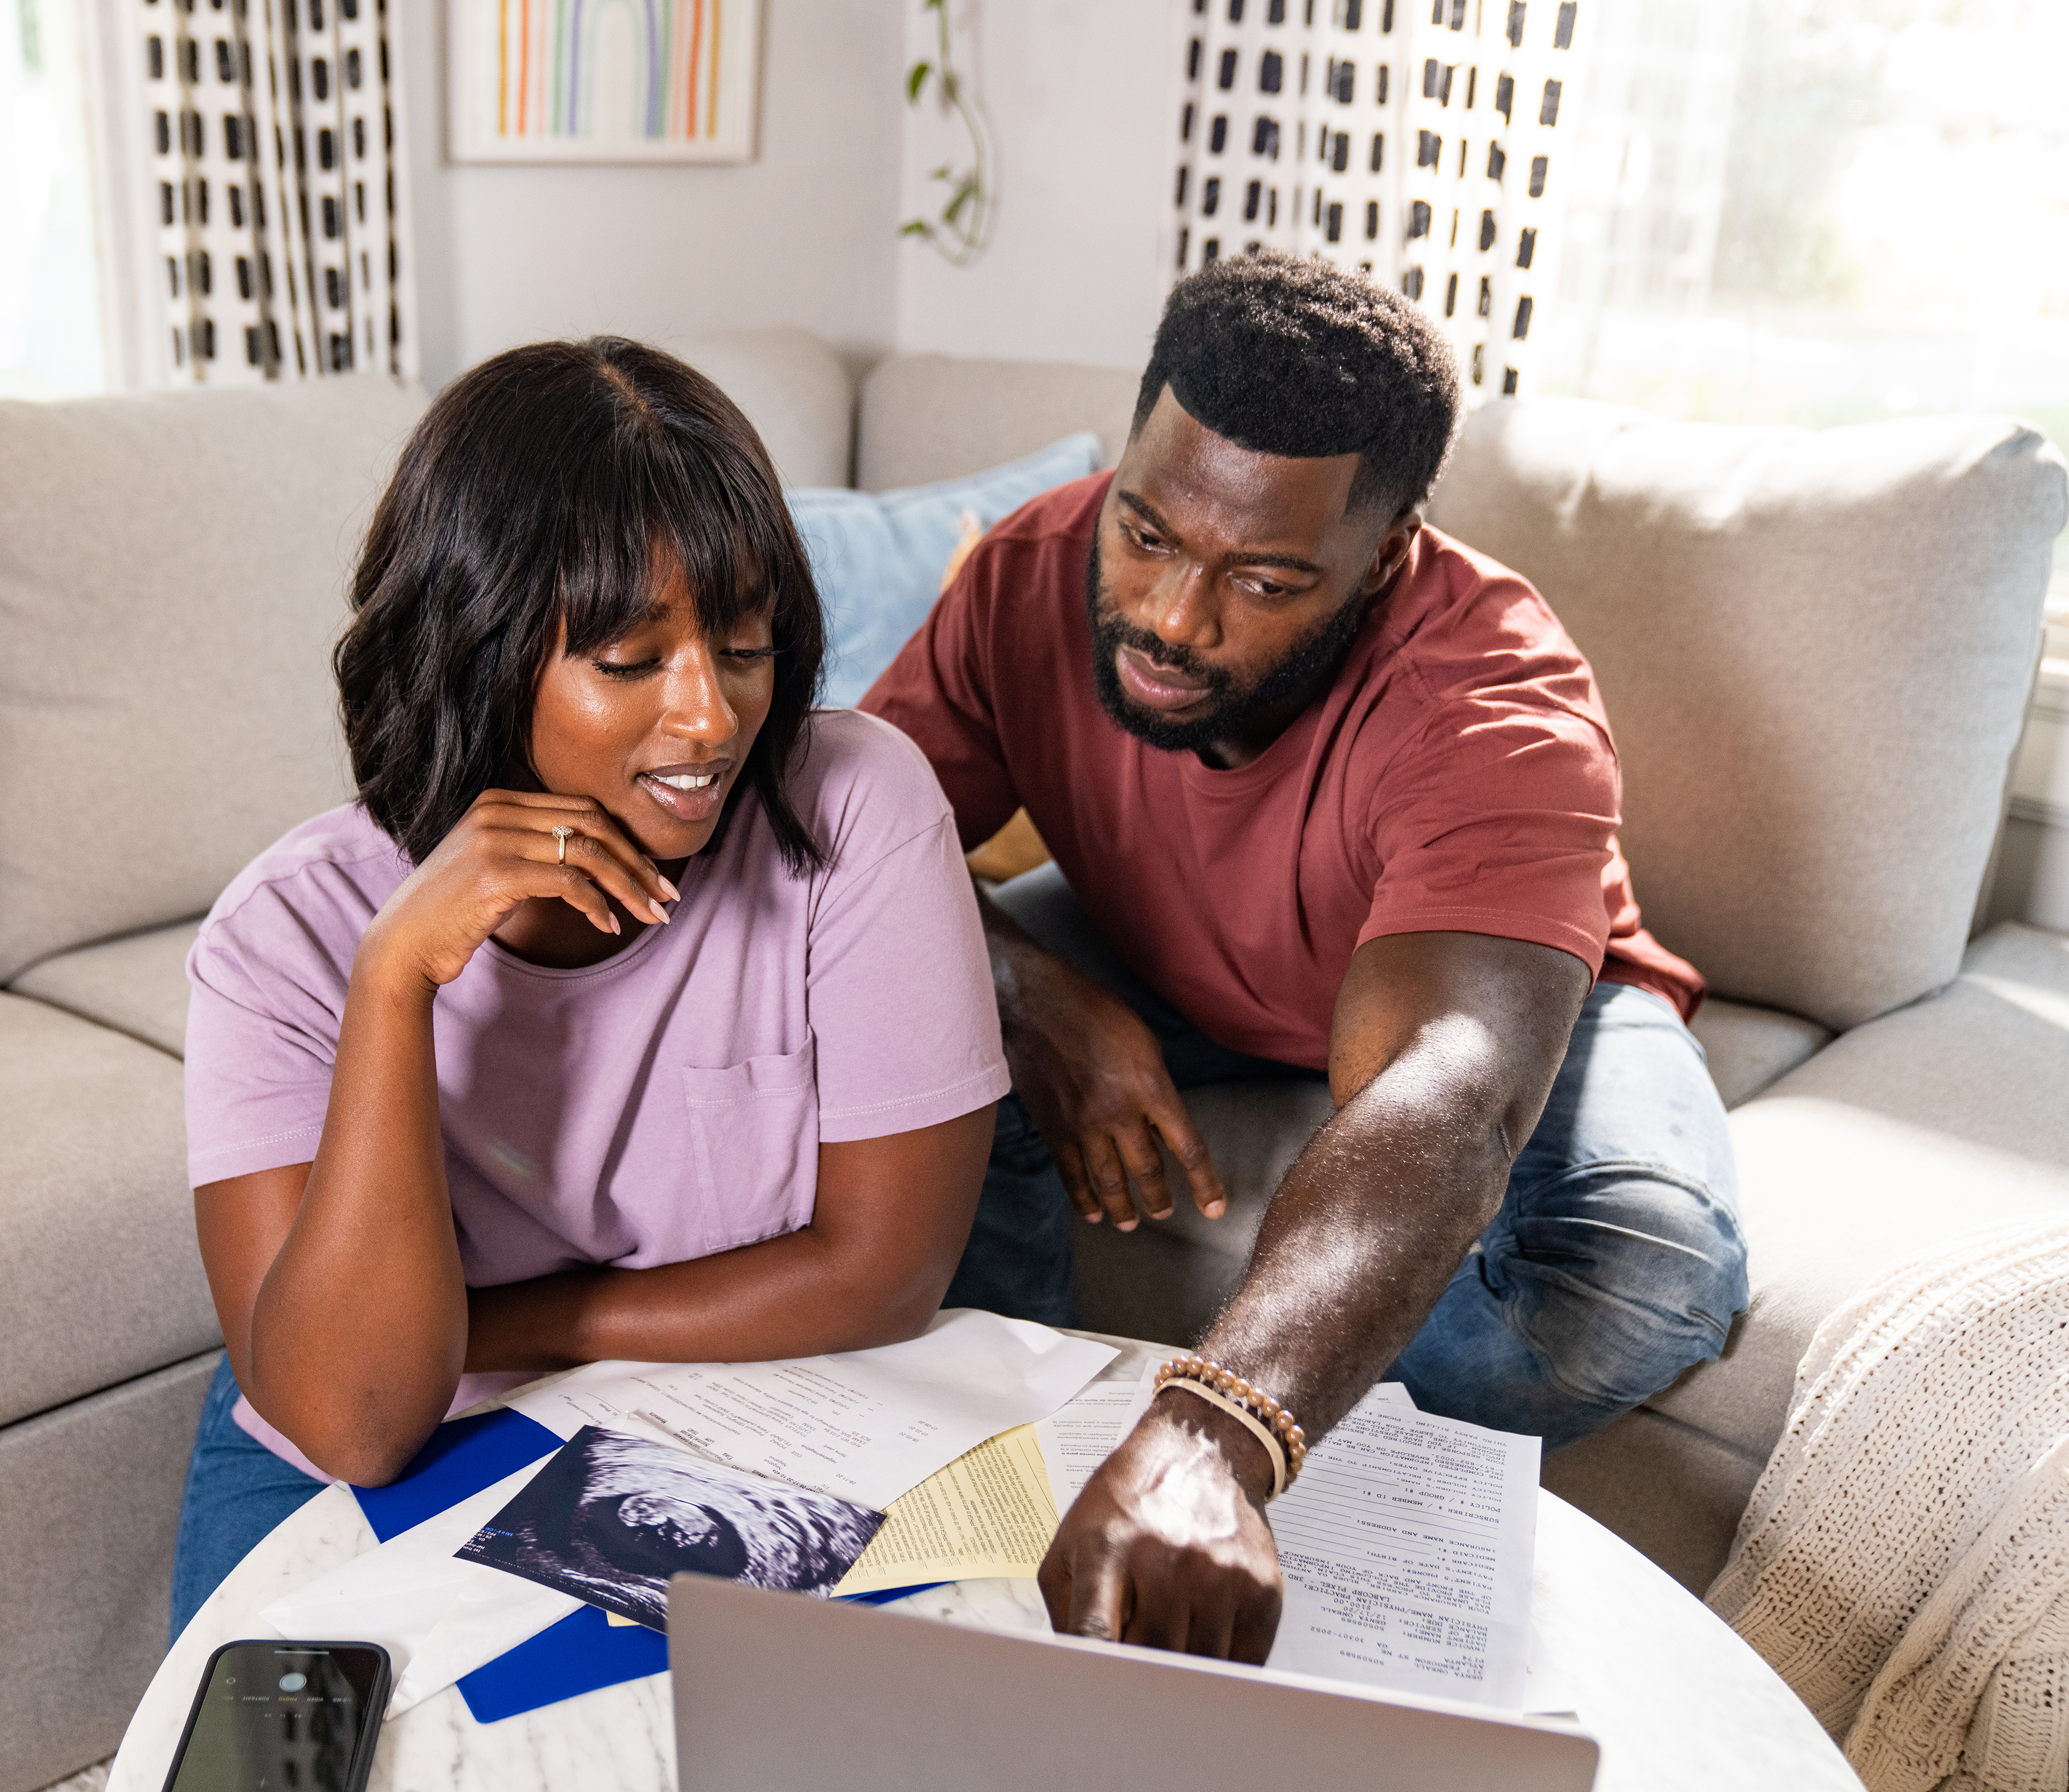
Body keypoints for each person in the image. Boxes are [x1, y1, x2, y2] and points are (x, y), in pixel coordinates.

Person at [860, 255, 1749, 1663]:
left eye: (1262, 579)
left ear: (1388, 555)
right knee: (902, 1022)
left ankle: (1173, 1462)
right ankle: (1024, 1457)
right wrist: (1034, 994)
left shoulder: (1494, 700)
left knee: (1637, 1270)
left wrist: (1223, 1428)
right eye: (1146, 534)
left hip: (1492, 986)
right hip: (1149, 935)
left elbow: (1445, 1090)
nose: (1169, 618)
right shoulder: (1032, 568)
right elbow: (856, 850)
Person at [169, 338, 1009, 1636]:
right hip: (386, 1422)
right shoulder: (285, 935)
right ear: (483, 648)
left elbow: (884, 1272)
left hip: (717, 1403)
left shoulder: (859, 804)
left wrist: (494, 1326)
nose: (711, 718)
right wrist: (393, 983)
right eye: (631, 662)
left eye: (743, 647)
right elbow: (354, 1423)